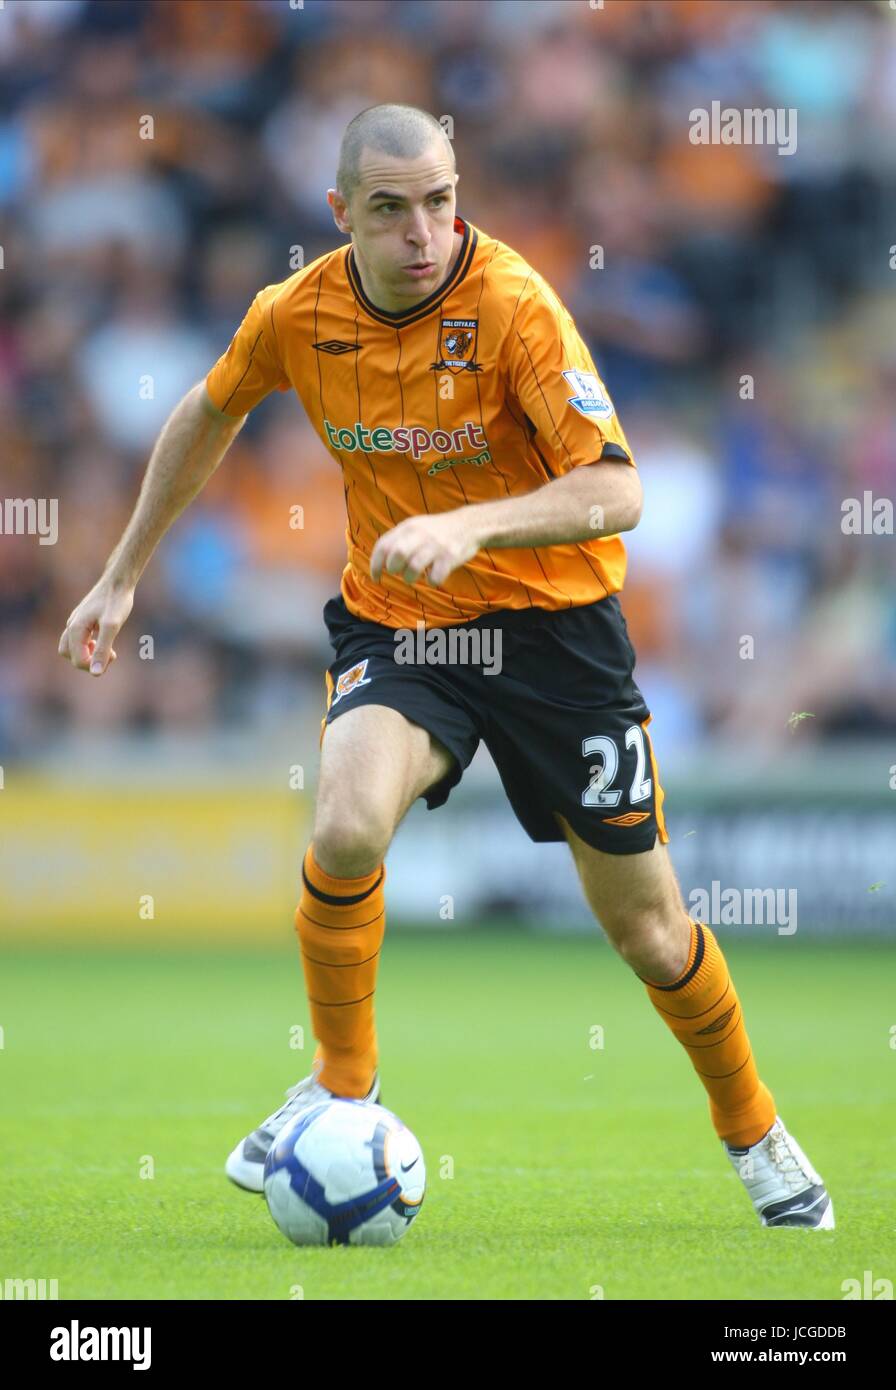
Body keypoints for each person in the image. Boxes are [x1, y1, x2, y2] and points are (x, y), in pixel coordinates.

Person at [58, 104, 833, 1230]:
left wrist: (477, 524)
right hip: (405, 625)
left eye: (440, 201)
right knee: (343, 826)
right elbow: (207, 409)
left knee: (650, 932)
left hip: (556, 637)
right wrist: (123, 572)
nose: (424, 231)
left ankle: (753, 1128)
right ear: (341, 217)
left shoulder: (515, 306)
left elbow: (617, 490)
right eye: (390, 210)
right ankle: (338, 1082)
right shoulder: (298, 311)